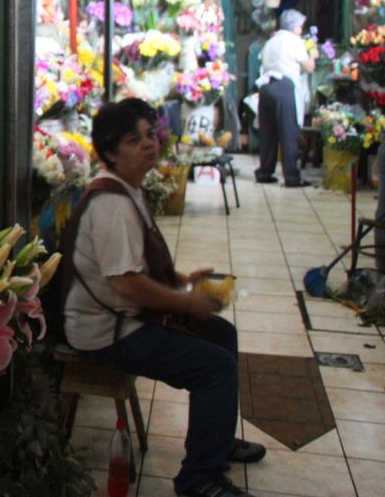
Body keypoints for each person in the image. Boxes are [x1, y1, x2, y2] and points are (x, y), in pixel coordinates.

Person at [58, 99, 264, 497]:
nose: (149, 145)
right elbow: (128, 285)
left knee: (221, 334)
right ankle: (198, 478)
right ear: (112, 152)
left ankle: (216, 441)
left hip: (124, 316)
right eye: (135, 139)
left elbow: (132, 268)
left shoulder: (128, 189)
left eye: (151, 134)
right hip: (106, 331)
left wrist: (185, 281)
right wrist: (186, 302)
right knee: (215, 367)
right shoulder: (113, 205)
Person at [253, 9, 317, 187]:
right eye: (300, 26)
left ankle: (264, 172)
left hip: (266, 88)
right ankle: (292, 177)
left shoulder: (271, 41)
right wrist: (313, 54)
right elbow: (309, 67)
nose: (301, 29)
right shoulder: (294, 41)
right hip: (284, 87)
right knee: (289, 132)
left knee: (268, 132)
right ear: (295, 26)